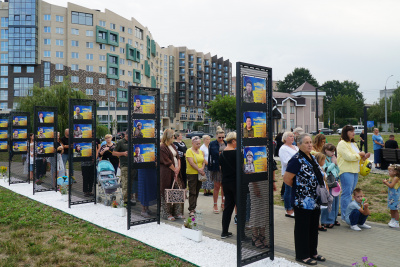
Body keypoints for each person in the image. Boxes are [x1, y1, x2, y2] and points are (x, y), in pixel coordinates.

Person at [283, 133, 326, 266]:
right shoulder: (296, 159)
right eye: (306, 142)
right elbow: (287, 179)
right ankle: (302, 255)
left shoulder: (312, 157)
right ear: (299, 144)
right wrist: (300, 189)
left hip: (315, 199)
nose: (309, 144)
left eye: (310, 142)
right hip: (302, 200)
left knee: (313, 227)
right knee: (302, 228)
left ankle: (313, 252)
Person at [337, 125, 370, 223]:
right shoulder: (342, 143)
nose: (353, 133)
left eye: (354, 131)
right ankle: (344, 215)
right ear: (346, 132)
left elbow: (356, 157)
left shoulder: (353, 144)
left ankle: (350, 212)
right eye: (351, 131)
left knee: (351, 192)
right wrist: (359, 155)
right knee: (346, 193)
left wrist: (364, 157)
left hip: (355, 170)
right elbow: (348, 157)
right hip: (346, 170)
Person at [160, 129, 184, 220]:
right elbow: (166, 161)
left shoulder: (172, 145)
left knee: (177, 190)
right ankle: (167, 213)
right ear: (169, 137)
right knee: (167, 191)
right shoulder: (162, 147)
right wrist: (175, 170)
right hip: (167, 173)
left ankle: (177, 212)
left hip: (176, 172)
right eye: (173, 136)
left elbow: (178, 157)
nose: (174, 137)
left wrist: (178, 169)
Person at [219, 132, 239, 238]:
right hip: (236, 182)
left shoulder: (221, 154)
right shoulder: (237, 154)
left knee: (228, 208)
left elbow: (221, 169)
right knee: (240, 207)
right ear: (234, 141)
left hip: (226, 183)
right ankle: (242, 234)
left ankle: (224, 231)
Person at [279, 131, 298, 218]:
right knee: (288, 191)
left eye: (293, 136)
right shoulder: (283, 148)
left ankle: (294, 207)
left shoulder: (295, 147)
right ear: (285, 138)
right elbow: (286, 161)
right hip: (288, 172)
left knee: (295, 191)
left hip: (297, 172)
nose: (292, 137)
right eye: (290, 136)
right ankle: (288, 209)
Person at [321, 144, 341, 228]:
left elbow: (337, 170)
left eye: (334, 151)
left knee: (335, 201)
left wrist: (336, 164)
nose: (333, 153)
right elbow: (326, 169)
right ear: (325, 150)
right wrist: (333, 163)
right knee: (329, 201)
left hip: (334, 180)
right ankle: (326, 220)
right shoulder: (324, 159)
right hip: (328, 181)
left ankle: (333, 218)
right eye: (331, 151)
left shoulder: (333, 158)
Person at [113, 132, 135, 205]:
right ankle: (125, 201)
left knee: (131, 183)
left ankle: (129, 199)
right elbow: (114, 153)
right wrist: (123, 153)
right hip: (125, 165)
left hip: (133, 165)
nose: (128, 136)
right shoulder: (120, 142)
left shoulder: (133, 141)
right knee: (125, 183)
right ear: (125, 134)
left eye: (130, 135)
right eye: (127, 134)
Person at [208, 126, 226, 214]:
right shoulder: (212, 144)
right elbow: (211, 156)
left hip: (226, 168)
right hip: (216, 167)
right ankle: (215, 204)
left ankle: (223, 203)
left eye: (223, 137)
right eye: (220, 137)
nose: (221, 139)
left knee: (224, 186)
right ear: (216, 136)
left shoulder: (226, 143)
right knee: (216, 186)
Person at [186, 136, 205, 217]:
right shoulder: (189, 151)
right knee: (192, 191)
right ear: (192, 143)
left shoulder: (200, 151)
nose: (199, 145)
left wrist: (202, 168)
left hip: (199, 174)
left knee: (197, 191)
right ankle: (191, 209)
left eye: (199, 143)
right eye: (197, 144)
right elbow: (191, 163)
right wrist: (199, 169)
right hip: (192, 174)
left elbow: (203, 161)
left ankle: (194, 207)